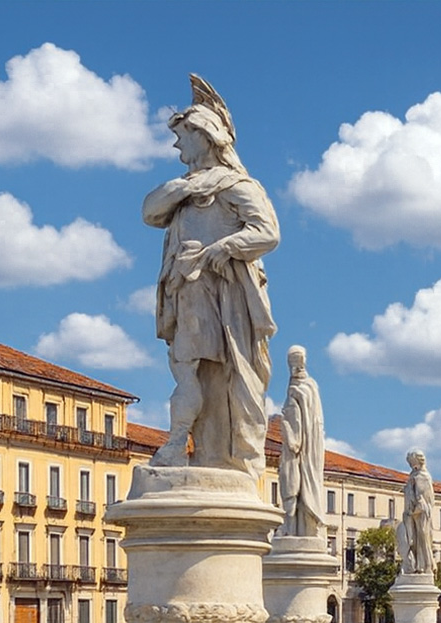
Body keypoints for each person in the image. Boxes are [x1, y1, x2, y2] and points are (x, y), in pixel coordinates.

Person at [143, 75, 278, 478]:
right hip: (188, 291)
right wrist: (188, 189)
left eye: (183, 135)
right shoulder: (185, 188)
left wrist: (220, 249)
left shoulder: (237, 186)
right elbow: (150, 211)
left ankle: (186, 445)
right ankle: (187, 445)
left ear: (205, 136)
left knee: (213, 372)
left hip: (223, 299)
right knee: (188, 368)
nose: (176, 144)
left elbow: (267, 232)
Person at [277, 346, 324, 537]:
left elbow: (309, 418)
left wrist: (290, 433)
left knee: (302, 480)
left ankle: (302, 526)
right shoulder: (295, 385)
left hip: (307, 443)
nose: (294, 367)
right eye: (291, 363)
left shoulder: (308, 386)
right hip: (297, 443)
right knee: (293, 481)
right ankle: (295, 527)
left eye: (296, 361)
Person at [396, 450, 434, 574]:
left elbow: (425, 498)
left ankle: (426, 565)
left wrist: (415, 506)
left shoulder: (424, 476)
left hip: (421, 513)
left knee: (423, 537)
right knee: (412, 540)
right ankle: (415, 566)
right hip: (411, 513)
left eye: (411, 462)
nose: (410, 465)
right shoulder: (413, 475)